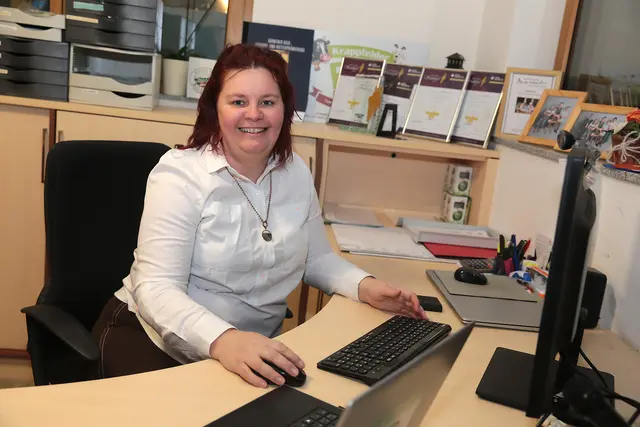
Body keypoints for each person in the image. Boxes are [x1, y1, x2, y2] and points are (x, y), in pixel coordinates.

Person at [91, 43, 427, 389]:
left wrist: (366, 287)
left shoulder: (295, 172)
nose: (254, 114)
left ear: (284, 110)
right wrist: (224, 340)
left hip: (253, 350)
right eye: (238, 102)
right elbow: (157, 287)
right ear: (215, 108)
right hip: (156, 341)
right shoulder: (180, 176)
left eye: (267, 102)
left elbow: (316, 258)